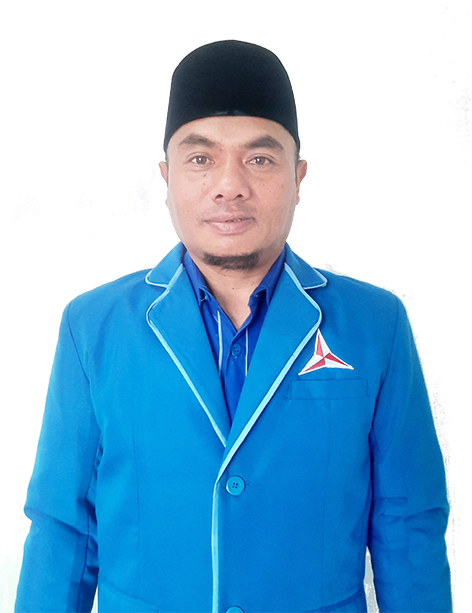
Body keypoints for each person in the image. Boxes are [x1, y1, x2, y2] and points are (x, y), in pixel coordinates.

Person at [15, 40, 452, 613]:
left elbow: (408, 526)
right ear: (167, 178)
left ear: (298, 177)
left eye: (260, 159)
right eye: (200, 159)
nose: (230, 185)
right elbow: (64, 530)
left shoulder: (376, 325)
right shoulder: (93, 327)